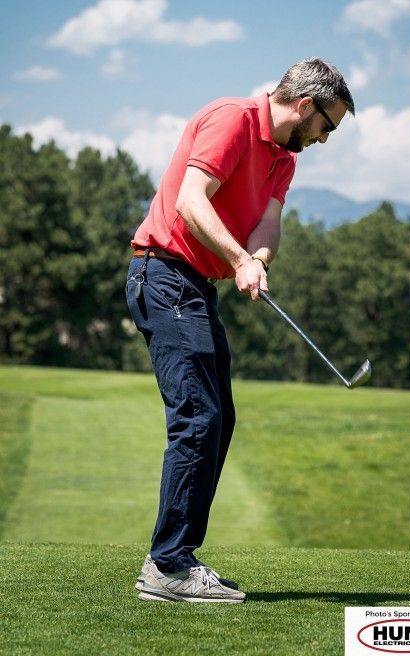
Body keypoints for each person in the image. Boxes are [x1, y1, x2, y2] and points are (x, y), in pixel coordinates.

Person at [125, 57, 355, 603]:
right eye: (328, 126)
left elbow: (268, 219)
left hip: (195, 286)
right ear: (305, 106)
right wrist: (236, 258)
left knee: (218, 419)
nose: (325, 139)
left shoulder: (284, 156)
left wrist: (259, 256)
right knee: (197, 417)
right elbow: (189, 201)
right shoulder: (231, 120)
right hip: (164, 274)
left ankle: (174, 558)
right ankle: (168, 566)